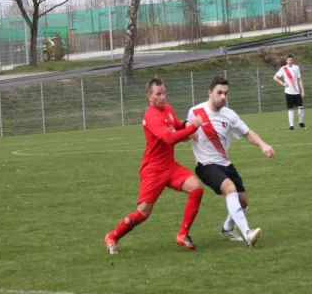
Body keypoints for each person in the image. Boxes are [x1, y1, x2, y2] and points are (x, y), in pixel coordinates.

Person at [104, 78, 205, 254]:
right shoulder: (150, 116)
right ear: (149, 96)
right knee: (143, 213)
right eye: (158, 94)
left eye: (164, 93)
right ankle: (112, 236)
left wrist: (186, 124)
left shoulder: (168, 109)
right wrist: (193, 127)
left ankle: (183, 234)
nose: (162, 97)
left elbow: (177, 125)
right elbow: (169, 138)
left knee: (196, 188)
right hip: (153, 170)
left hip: (170, 166)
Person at [187, 76, 276, 247]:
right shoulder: (195, 112)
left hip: (225, 164)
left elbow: (247, 132)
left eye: (225, 94)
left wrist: (263, 145)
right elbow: (185, 131)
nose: (223, 97)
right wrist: (188, 131)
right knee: (230, 188)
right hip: (205, 165)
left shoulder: (230, 115)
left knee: (243, 201)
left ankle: (227, 228)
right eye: (219, 93)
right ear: (210, 93)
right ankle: (248, 234)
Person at [273, 53, 307, 130]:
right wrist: (282, 83)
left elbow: (299, 79)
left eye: (291, 59)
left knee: (301, 107)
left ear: (293, 60)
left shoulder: (296, 68)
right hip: (288, 92)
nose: (290, 61)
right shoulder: (283, 68)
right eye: (288, 59)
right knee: (290, 108)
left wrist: (302, 91)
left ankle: (301, 123)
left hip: (297, 91)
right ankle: (291, 126)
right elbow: (275, 77)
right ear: (286, 60)